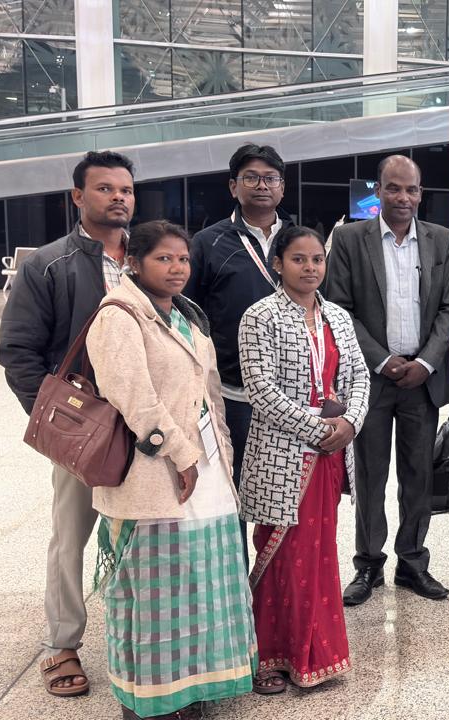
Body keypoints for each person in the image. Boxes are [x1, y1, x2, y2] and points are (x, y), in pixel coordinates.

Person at [85, 220, 256, 719]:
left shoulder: (186, 314)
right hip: (153, 472)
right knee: (155, 592)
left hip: (206, 470)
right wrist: (182, 455)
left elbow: (209, 393)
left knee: (200, 584)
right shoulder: (119, 315)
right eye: (164, 258)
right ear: (134, 262)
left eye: (183, 258)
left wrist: (220, 456)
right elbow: (135, 398)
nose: (177, 267)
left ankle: (192, 685)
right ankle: (151, 699)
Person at [0, 150, 136, 699]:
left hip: (147, 421)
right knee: (71, 534)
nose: (118, 197)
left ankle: (143, 633)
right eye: (105, 188)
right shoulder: (49, 264)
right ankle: (61, 642)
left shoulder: (150, 256)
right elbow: (18, 352)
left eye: (125, 189)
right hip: (87, 425)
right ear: (77, 197)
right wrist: (57, 424)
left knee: (146, 530)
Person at [239, 226, 370, 693]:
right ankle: (266, 654)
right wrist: (320, 430)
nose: (310, 267)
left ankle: (316, 653)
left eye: (317, 259)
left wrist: (350, 422)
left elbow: (359, 376)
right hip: (283, 455)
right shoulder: (260, 316)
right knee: (281, 556)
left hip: (330, 456)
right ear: (278, 264)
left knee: (319, 555)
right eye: (299, 259)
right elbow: (260, 389)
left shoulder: (337, 316)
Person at [324, 154, 449, 605]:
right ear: (377, 191)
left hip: (422, 379)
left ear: (421, 193)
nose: (403, 197)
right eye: (394, 188)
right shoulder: (349, 239)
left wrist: (427, 362)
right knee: (370, 475)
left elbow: (448, 309)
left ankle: (413, 562)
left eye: (411, 189)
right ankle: (368, 565)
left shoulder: (442, 240)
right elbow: (340, 307)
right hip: (372, 379)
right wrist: (382, 361)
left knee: (418, 476)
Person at [183, 143, 294, 555]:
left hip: (291, 395)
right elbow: (189, 313)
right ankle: (236, 581)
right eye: (251, 178)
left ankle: (278, 582)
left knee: (286, 496)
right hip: (233, 393)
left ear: (282, 187)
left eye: (270, 178)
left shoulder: (299, 240)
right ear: (233, 186)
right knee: (234, 492)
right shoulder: (208, 242)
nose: (262, 185)